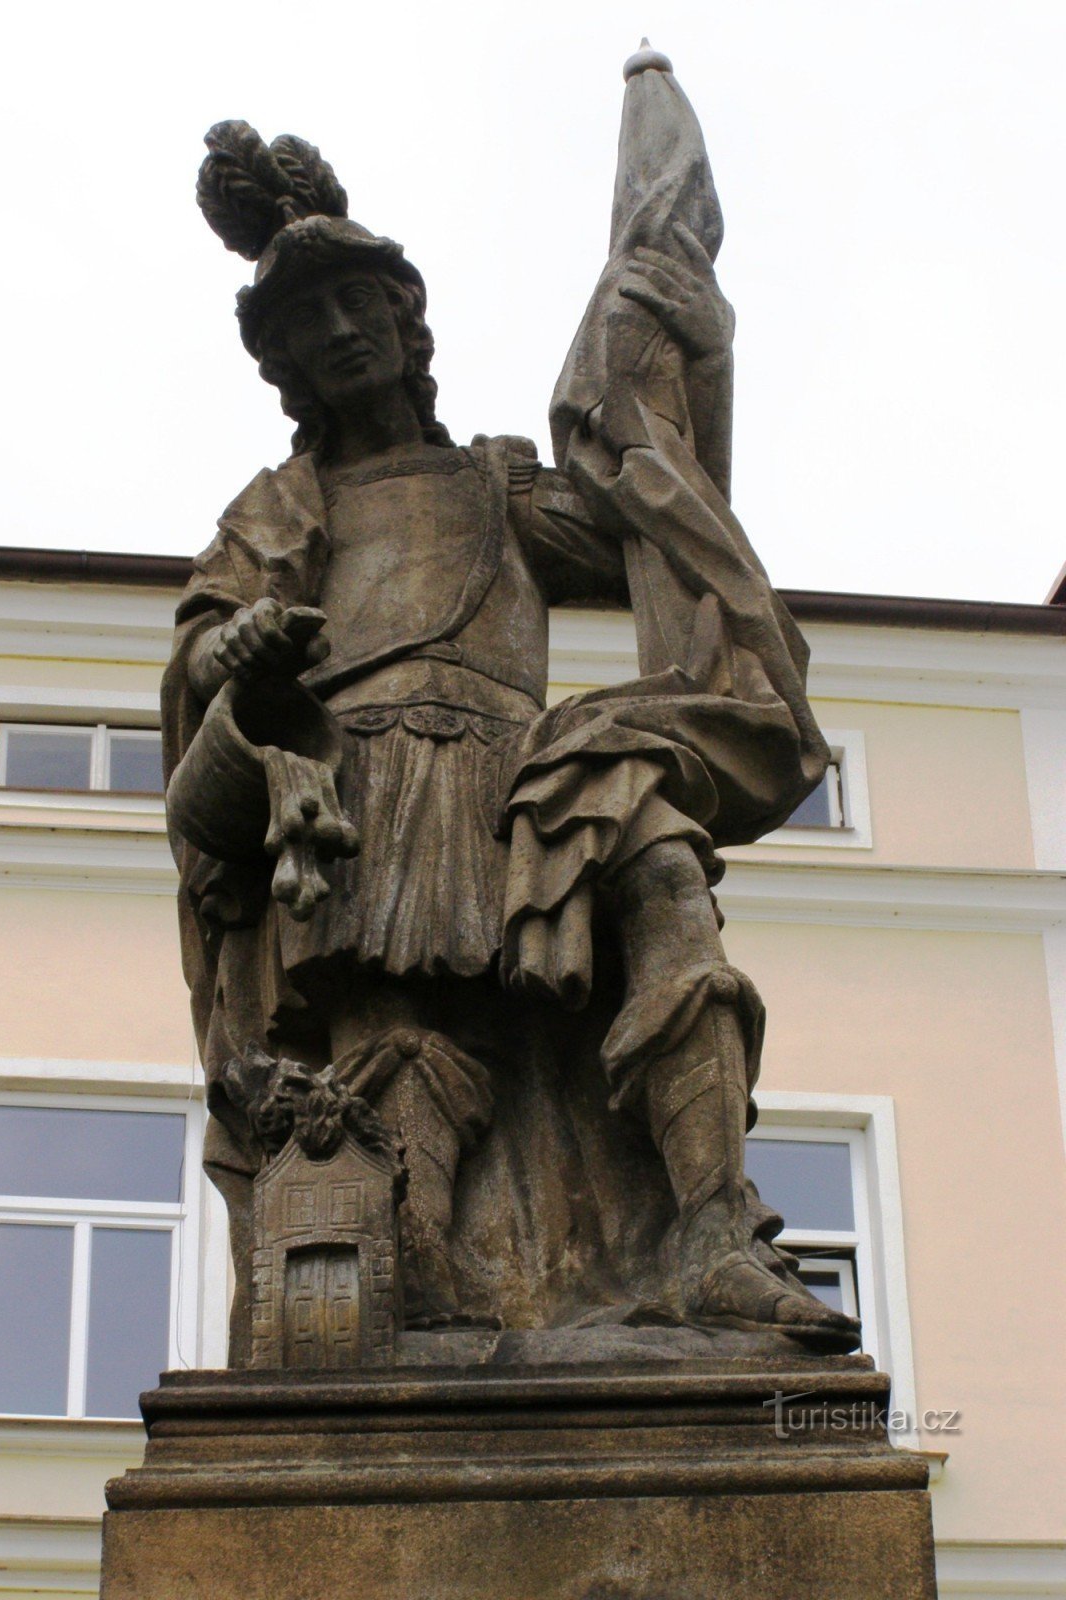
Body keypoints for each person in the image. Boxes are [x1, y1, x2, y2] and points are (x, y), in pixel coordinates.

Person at [163, 118, 859, 1358]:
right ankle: (407, 1284)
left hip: (522, 780)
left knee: (656, 856)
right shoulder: (283, 504)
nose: (339, 335)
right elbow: (207, 647)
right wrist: (245, 655)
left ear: (404, 321)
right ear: (287, 371)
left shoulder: (499, 485)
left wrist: (653, 366)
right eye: (307, 327)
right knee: (402, 1052)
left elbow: (660, 527)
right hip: (364, 795)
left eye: (358, 306)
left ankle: (712, 1229)